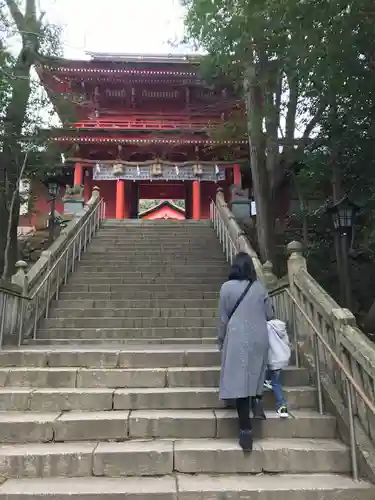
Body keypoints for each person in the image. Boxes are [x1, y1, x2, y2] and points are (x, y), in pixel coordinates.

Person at [217, 252, 274, 452]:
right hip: (259, 337)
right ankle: (257, 400)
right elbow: (270, 314)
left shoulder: (226, 288)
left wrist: (220, 339)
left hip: (236, 336)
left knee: (240, 382)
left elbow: (223, 319)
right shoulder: (259, 287)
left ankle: (246, 431)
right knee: (254, 373)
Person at [264, 319, 291, 418]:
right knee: (274, 375)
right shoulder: (281, 327)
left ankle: (282, 406)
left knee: (276, 383)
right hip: (282, 357)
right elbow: (287, 341)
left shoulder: (267, 327)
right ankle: (267, 380)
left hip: (273, 358)